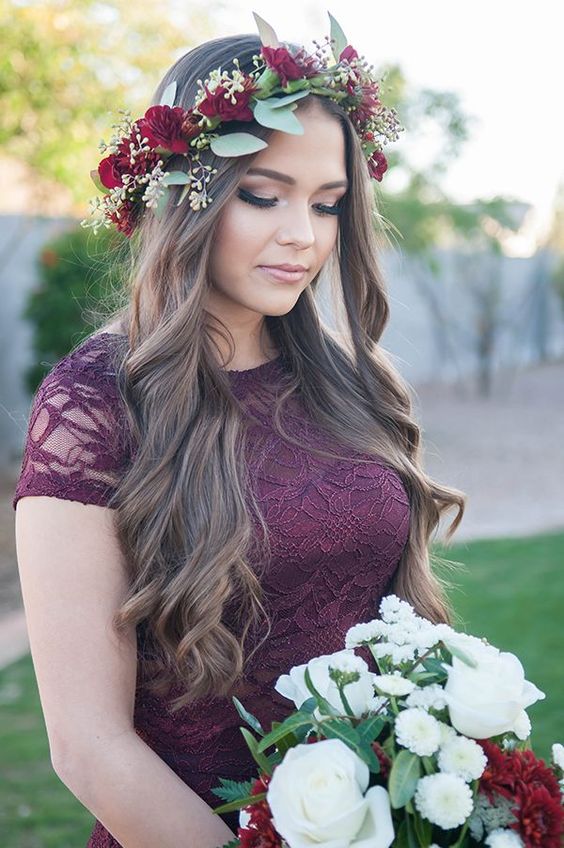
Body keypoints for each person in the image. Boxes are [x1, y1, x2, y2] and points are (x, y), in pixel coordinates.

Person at [13, 19, 466, 848]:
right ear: (189, 192)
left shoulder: (351, 382)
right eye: (263, 195)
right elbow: (88, 745)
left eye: (326, 205)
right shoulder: (94, 405)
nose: (304, 235)